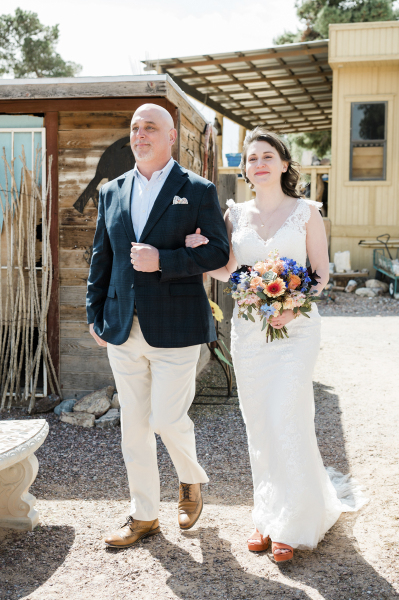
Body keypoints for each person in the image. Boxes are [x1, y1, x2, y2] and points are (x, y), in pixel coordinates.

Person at [185, 127, 366, 561]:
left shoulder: (307, 212)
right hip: (250, 330)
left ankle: (294, 523)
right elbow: (229, 270)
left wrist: (291, 303)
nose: (259, 164)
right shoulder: (234, 215)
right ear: (245, 170)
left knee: (288, 414)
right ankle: (266, 514)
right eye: (252, 159)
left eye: (268, 156)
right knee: (259, 423)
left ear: (284, 164)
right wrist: (200, 253)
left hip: (297, 330)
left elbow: (320, 272)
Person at [86, 103, 230, 548]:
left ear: (171, 137)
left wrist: (162, 261)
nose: (140, 134)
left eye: (150, 127)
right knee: (133, 425)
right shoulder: (113, 191)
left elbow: (218, 254)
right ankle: (143, 515)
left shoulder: (199, 190)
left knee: (167, 417)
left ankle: (190, 478)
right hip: (122, 326)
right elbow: (101, 258)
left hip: (177, 326)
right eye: (134, 128)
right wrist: (95, 313)